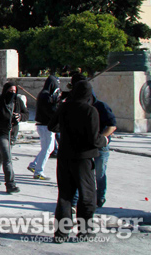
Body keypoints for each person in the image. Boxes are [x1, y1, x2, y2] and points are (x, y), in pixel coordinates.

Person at [48, 80, 107, 243]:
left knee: (65, 196)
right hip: (83, 159)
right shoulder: (90, 111)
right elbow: (95, 139)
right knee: (87, 196)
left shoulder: (64, 107)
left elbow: (52, 126)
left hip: (65, 157)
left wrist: (67, 132)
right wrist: (105, 140)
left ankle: (61, 233)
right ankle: (85, 231)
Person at [0, 82, 28, 193]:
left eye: (14, 92)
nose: (12, 94)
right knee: (7, 158)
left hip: (12, 134)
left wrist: (20, 117)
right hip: (0, 134)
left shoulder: (17, 101)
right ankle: (10, 184)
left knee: (2, 155)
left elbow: (26, 114)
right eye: (10, 91)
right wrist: (3, 124)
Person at [27, 75, 61, 180]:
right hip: (45, 126)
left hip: (44, 125)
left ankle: (34, 164)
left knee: (48, 148)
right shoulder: (45, 96)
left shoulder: (45, 94)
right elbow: (50, 111)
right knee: (47, 149)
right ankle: (38, 171)